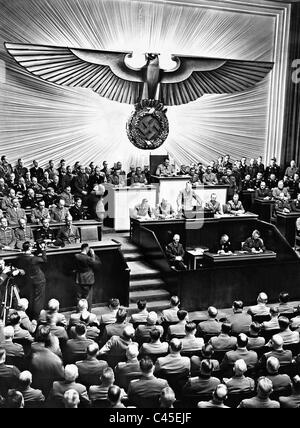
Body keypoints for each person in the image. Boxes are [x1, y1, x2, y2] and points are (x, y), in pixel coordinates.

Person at [16, 241, 47, 319]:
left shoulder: (22, 257)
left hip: (30, 280)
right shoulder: (33, 259)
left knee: (32, 297)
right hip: (39, 280)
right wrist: (43, 249)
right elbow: (44, 259)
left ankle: (32, 315)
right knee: (39, 299)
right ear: (29, 248)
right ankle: (37, 316)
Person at [74, 243, 101, 311]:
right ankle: (88, 312)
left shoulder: (76, 256)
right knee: (88, 297)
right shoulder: (88, 258)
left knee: (79, 296)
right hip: (88, 279)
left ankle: (79, 311)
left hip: (79, 278)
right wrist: (93, 254)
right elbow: (95, 264)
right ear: (86, 248)